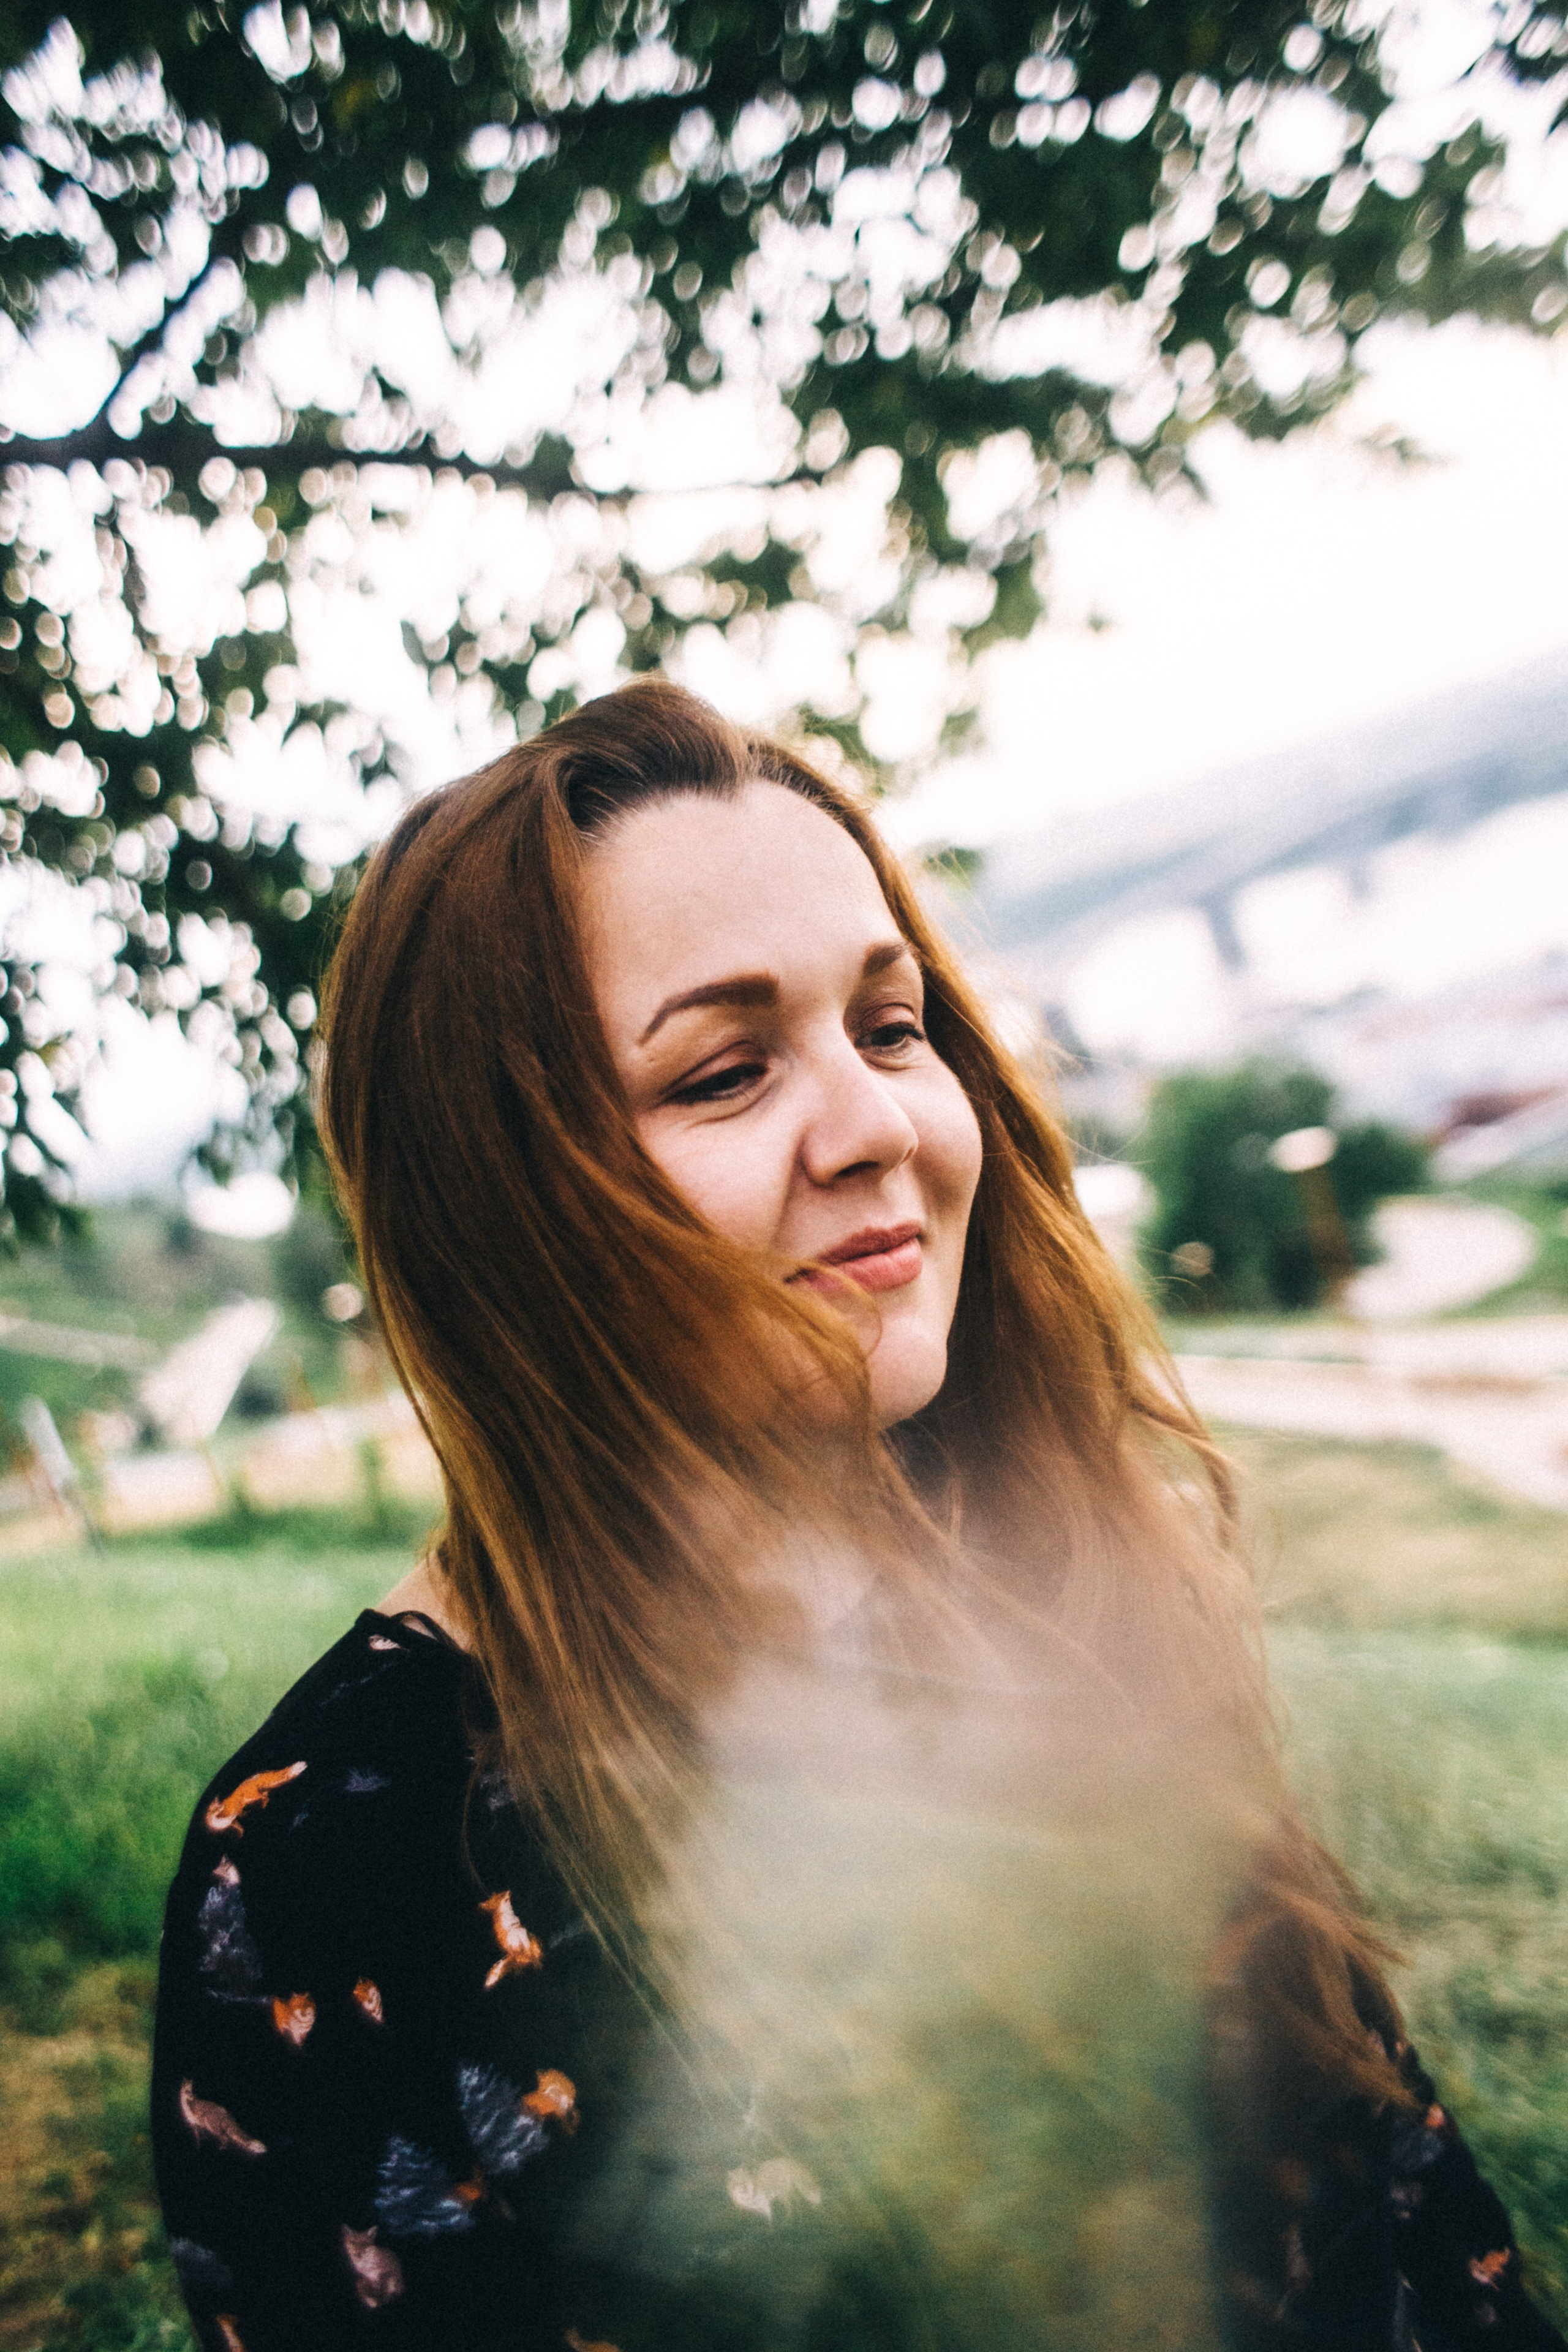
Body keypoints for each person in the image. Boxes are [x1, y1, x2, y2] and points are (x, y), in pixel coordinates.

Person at [152, 680, 1563, 2351]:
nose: (881, 1124)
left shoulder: (1075, 1576)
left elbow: (1404, 2206)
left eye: (892, 1028)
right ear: (495, 1201)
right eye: (726, 1072)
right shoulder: (328, 1866)